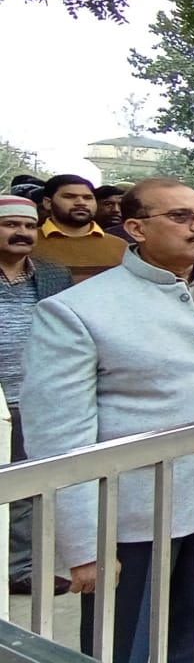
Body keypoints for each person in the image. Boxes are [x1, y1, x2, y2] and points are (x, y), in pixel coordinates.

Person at [21, 177, 194, 662]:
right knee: (123, 644)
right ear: (135, 228)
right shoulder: (78, 311)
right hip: (134, 515)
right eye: (180, 216)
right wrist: (82, 543)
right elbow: (60, 438)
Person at [0, 195, 73, 597]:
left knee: (27, 486)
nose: (22, 233)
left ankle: (20, 569)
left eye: (28, 226)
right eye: (10, 225)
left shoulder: (51, 275)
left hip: (33, 398)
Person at [32, 174, 126, 282]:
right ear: (48, 203)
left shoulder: (120, 246)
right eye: (69, 197)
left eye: (87, 198)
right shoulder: (29, 243)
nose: (81, 203)